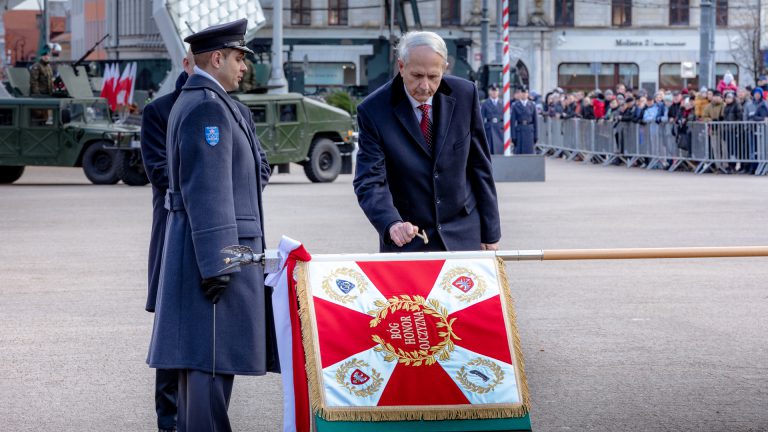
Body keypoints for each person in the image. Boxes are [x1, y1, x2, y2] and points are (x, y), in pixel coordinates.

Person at [146, 19, 275, 432]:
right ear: (217, 58)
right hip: (215, 256)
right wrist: (220, 262)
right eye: (238, 58)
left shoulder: (207, 100)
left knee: (206, 366)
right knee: (208, 368)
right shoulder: (208, 106)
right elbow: (208, 190)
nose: (243, 67)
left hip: (207, 252)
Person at [353, 31, 501, 253]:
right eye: (417, 75)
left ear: (445, 68)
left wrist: (491, 233)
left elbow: (480, 166)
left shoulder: (465, 94)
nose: (424, 86)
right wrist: (392, 223)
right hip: (407, 238)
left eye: (433, 77)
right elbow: (370, 180)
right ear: (401, 67)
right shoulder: (373, 111)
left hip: (464, 233)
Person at [140, 49, 196, 432]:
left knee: (216, 325)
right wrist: (213, 192)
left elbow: (258, 166)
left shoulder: (234, 108)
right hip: (176, 232)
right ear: (188, 63)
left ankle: (204, 415)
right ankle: (169, 420)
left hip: (224, 233)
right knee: (171, 330)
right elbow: (160, 172)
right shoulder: (159, 111)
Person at [511, 86, 538, 154]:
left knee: (529, 153)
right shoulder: (515, 105)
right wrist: (513, 136)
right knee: (519, 153)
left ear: (528, 94)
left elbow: (535, 122)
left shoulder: (532, 105)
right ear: (520, 93)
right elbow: (513, 122)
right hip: (520, 131)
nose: (524, 94)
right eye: (522, 92)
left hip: (529, 130)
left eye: (525, 93)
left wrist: (536, 135)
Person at [480, 83, 503, 154]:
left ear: (498, 92)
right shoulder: (485, 103)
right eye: (492, 91)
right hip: (489, 128)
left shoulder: (503, 103)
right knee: (490, 150)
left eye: (496, 91)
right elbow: (481, 119)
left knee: (500, 150)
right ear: (489, 91)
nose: (494, 92)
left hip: (500, 128)